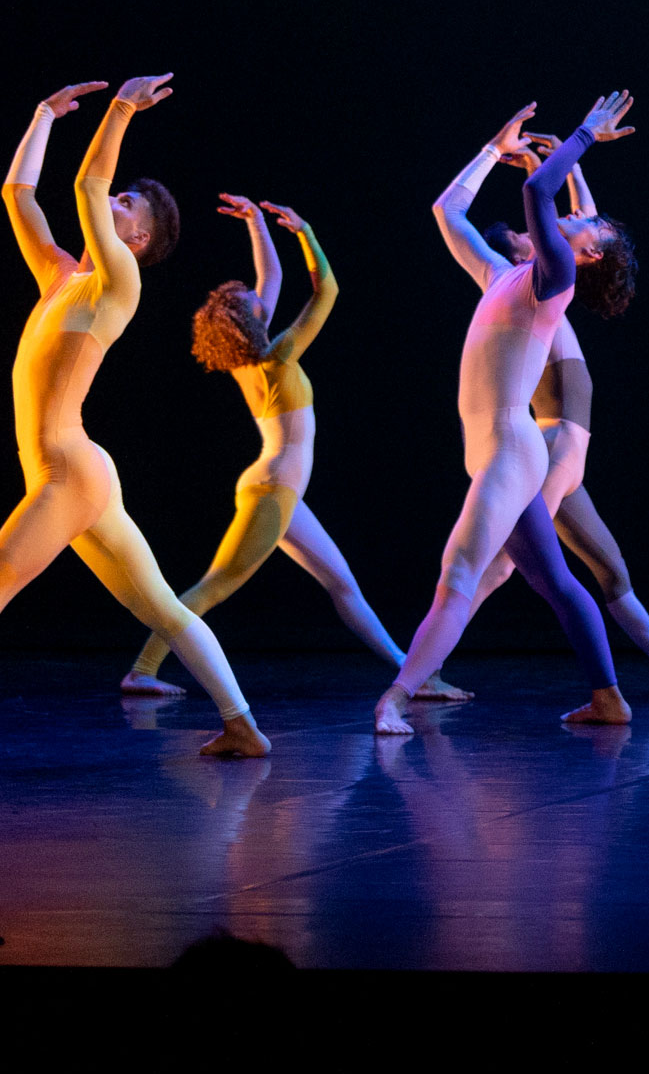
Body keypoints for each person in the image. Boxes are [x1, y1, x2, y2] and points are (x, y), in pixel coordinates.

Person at [0, 78, 267, 770]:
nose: (114, 201)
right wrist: (42, 118)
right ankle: (242, 726)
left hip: (68, 473)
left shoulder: (120, 283)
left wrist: (120, 111)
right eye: (122, 194)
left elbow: (87, 186)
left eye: (127, 204)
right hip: (80, 470)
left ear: (137, 239)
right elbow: (17, 195)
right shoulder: (60, 277)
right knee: (163, 609)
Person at [117, 195, 461, 700]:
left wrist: (257, 223)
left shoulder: (248, 358)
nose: (262, 297)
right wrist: (305, 233)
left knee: (343, 585)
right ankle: (142, 669)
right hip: (271, 490)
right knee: (215, 585)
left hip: (281, 492)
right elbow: (328, 290)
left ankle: (412, 674)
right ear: (249, 320)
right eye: (253, 301)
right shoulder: (278, 356)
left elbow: (271, 277)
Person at [371, 97, 639, 737]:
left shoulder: (556, 278)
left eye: (590, 223)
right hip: (493, 448)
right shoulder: (502, 274)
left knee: (458, 573)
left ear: (588, 255)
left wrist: (584, 137)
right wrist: (493, 148)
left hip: (512, 451)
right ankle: (609, 698)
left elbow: (538, 190)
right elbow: (447, 211)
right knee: (555, 581)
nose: (581, 214)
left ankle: (397, 697)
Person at [468, 143, 649, 694]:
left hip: (571, 464)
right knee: (504, 564)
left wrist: (565, 169)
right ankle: (426, 661)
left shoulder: (557, 277)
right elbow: (574, 227)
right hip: (551, 452)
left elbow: (587, 226)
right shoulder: (530, 286)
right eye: (524, 235)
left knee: (611, 570)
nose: (534, 233)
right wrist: (558, 167)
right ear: (521, 253)